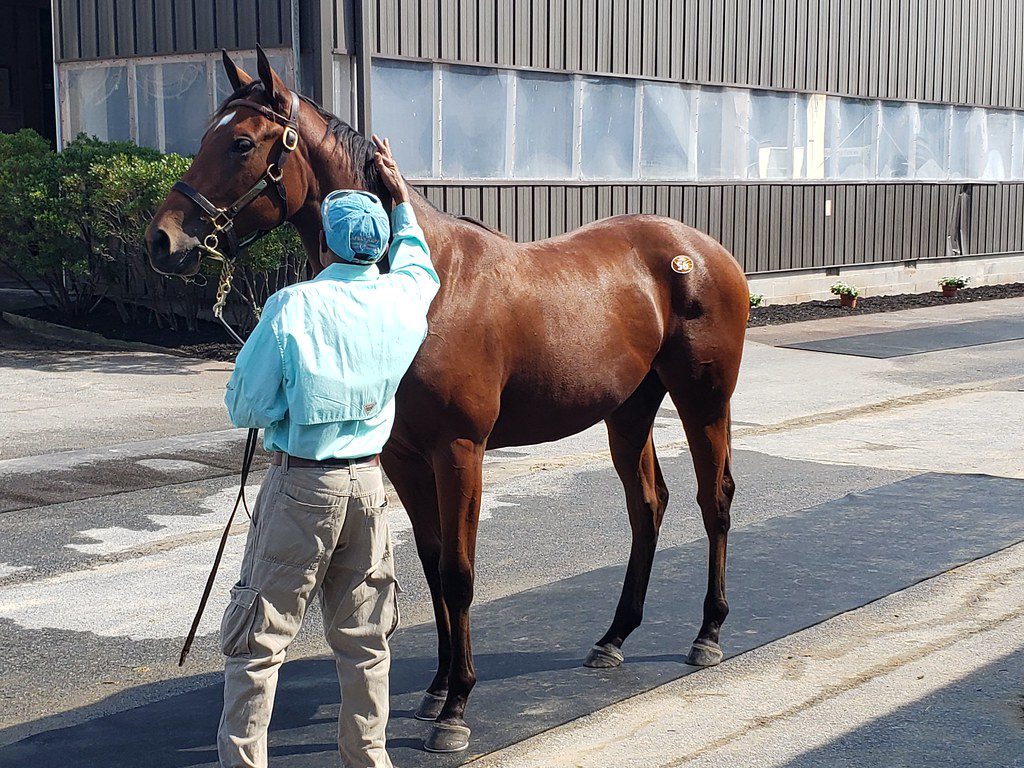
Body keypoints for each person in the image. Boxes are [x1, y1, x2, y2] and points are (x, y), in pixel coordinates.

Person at [217, 136, 439, 768]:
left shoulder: (295, 305)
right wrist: (400, 203)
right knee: (367, 644)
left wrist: (297, 408)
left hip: (301, 491)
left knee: (259, 643)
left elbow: (246, 408)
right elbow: (420, 263)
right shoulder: (406, 300)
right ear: (382, 249)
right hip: (370, 489)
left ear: (324, 246)